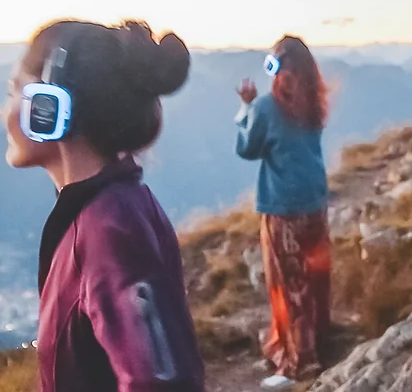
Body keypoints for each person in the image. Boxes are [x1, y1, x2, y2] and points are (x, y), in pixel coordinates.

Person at [1, 20, 204, 392]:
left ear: (48, 105)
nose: (4, 110)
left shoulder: (109, 227)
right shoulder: (107, 209)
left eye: (16, 90)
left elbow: (162, 382)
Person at [234, 35, 332, 390]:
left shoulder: (266, 107)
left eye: (273, 63)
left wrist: (246, 107)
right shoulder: (313, 103)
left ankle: (297, 364)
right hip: (315, 201)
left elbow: (247, 148)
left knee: (288, 284)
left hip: (283, 208)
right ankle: (318, 339)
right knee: (315, 276)